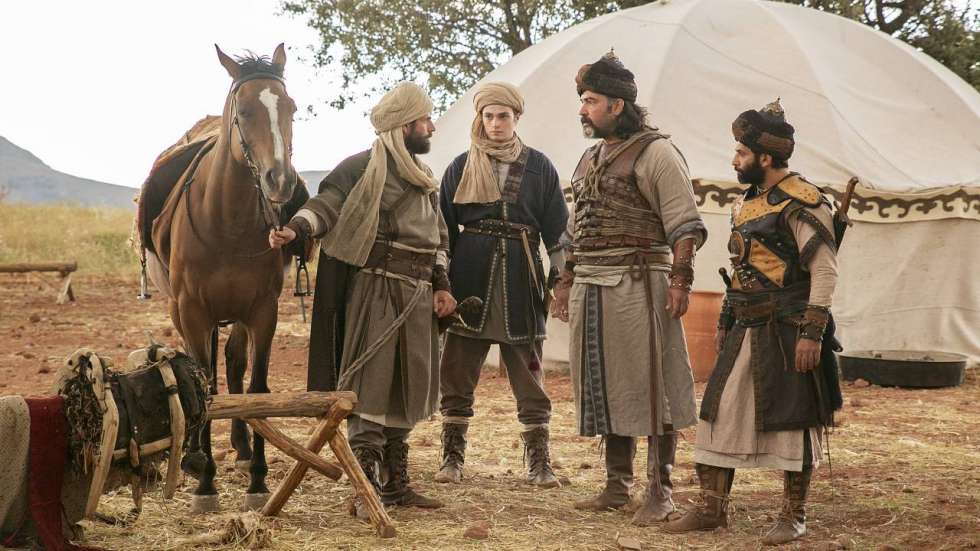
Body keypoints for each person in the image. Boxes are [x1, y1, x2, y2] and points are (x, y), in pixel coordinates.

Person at [269, 82, 457, 519]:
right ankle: (364, 485)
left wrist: (442, 285)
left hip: (418, 295)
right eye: (425, 120)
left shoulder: (423, 176)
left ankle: (395, 483)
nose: (431, 127)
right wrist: (297, 228)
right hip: (377, 293)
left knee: (408, 386)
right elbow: (326, 205)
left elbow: (439, 239)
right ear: (404, 125)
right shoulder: (360, 168)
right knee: (371, 385)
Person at [664, 99, 843, 546]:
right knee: (719, 412)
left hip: (788, 328)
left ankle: (793, 515)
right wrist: (726, 317)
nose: (734, 160)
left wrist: (812, 332)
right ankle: (712, 509)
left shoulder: (803, 201)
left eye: (741, 153)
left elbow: (824, 270)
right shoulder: (749, 201)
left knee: (794, 419)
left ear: (764, 158)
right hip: (747, 324)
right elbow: (741, 267)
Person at [551, 51, 706, 526]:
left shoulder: (656, 153)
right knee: (604, 382)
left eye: (590, 101)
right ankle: (616, 486)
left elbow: (685, 224)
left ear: (617, 105)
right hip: (592, 284)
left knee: (652, 384)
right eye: (583, 100)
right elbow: (576, 228)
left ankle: (660, 490)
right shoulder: (589, 157)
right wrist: (564, 281)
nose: (582, 110)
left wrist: (680, 281)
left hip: (639, 284)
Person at [435, 81, 569, 488]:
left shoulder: (539, 166)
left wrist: (560, 283)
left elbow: (558, 232)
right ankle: (452, 457)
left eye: (503, 116)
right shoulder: (460, 166)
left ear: (516, 118)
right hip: (469, 281)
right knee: (457, 372)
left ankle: (539, 462)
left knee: (529, 374)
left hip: (520, 281)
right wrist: (442, 283)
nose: (495, 124)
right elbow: (442, 231)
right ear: (480, 118)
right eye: (489, 116)